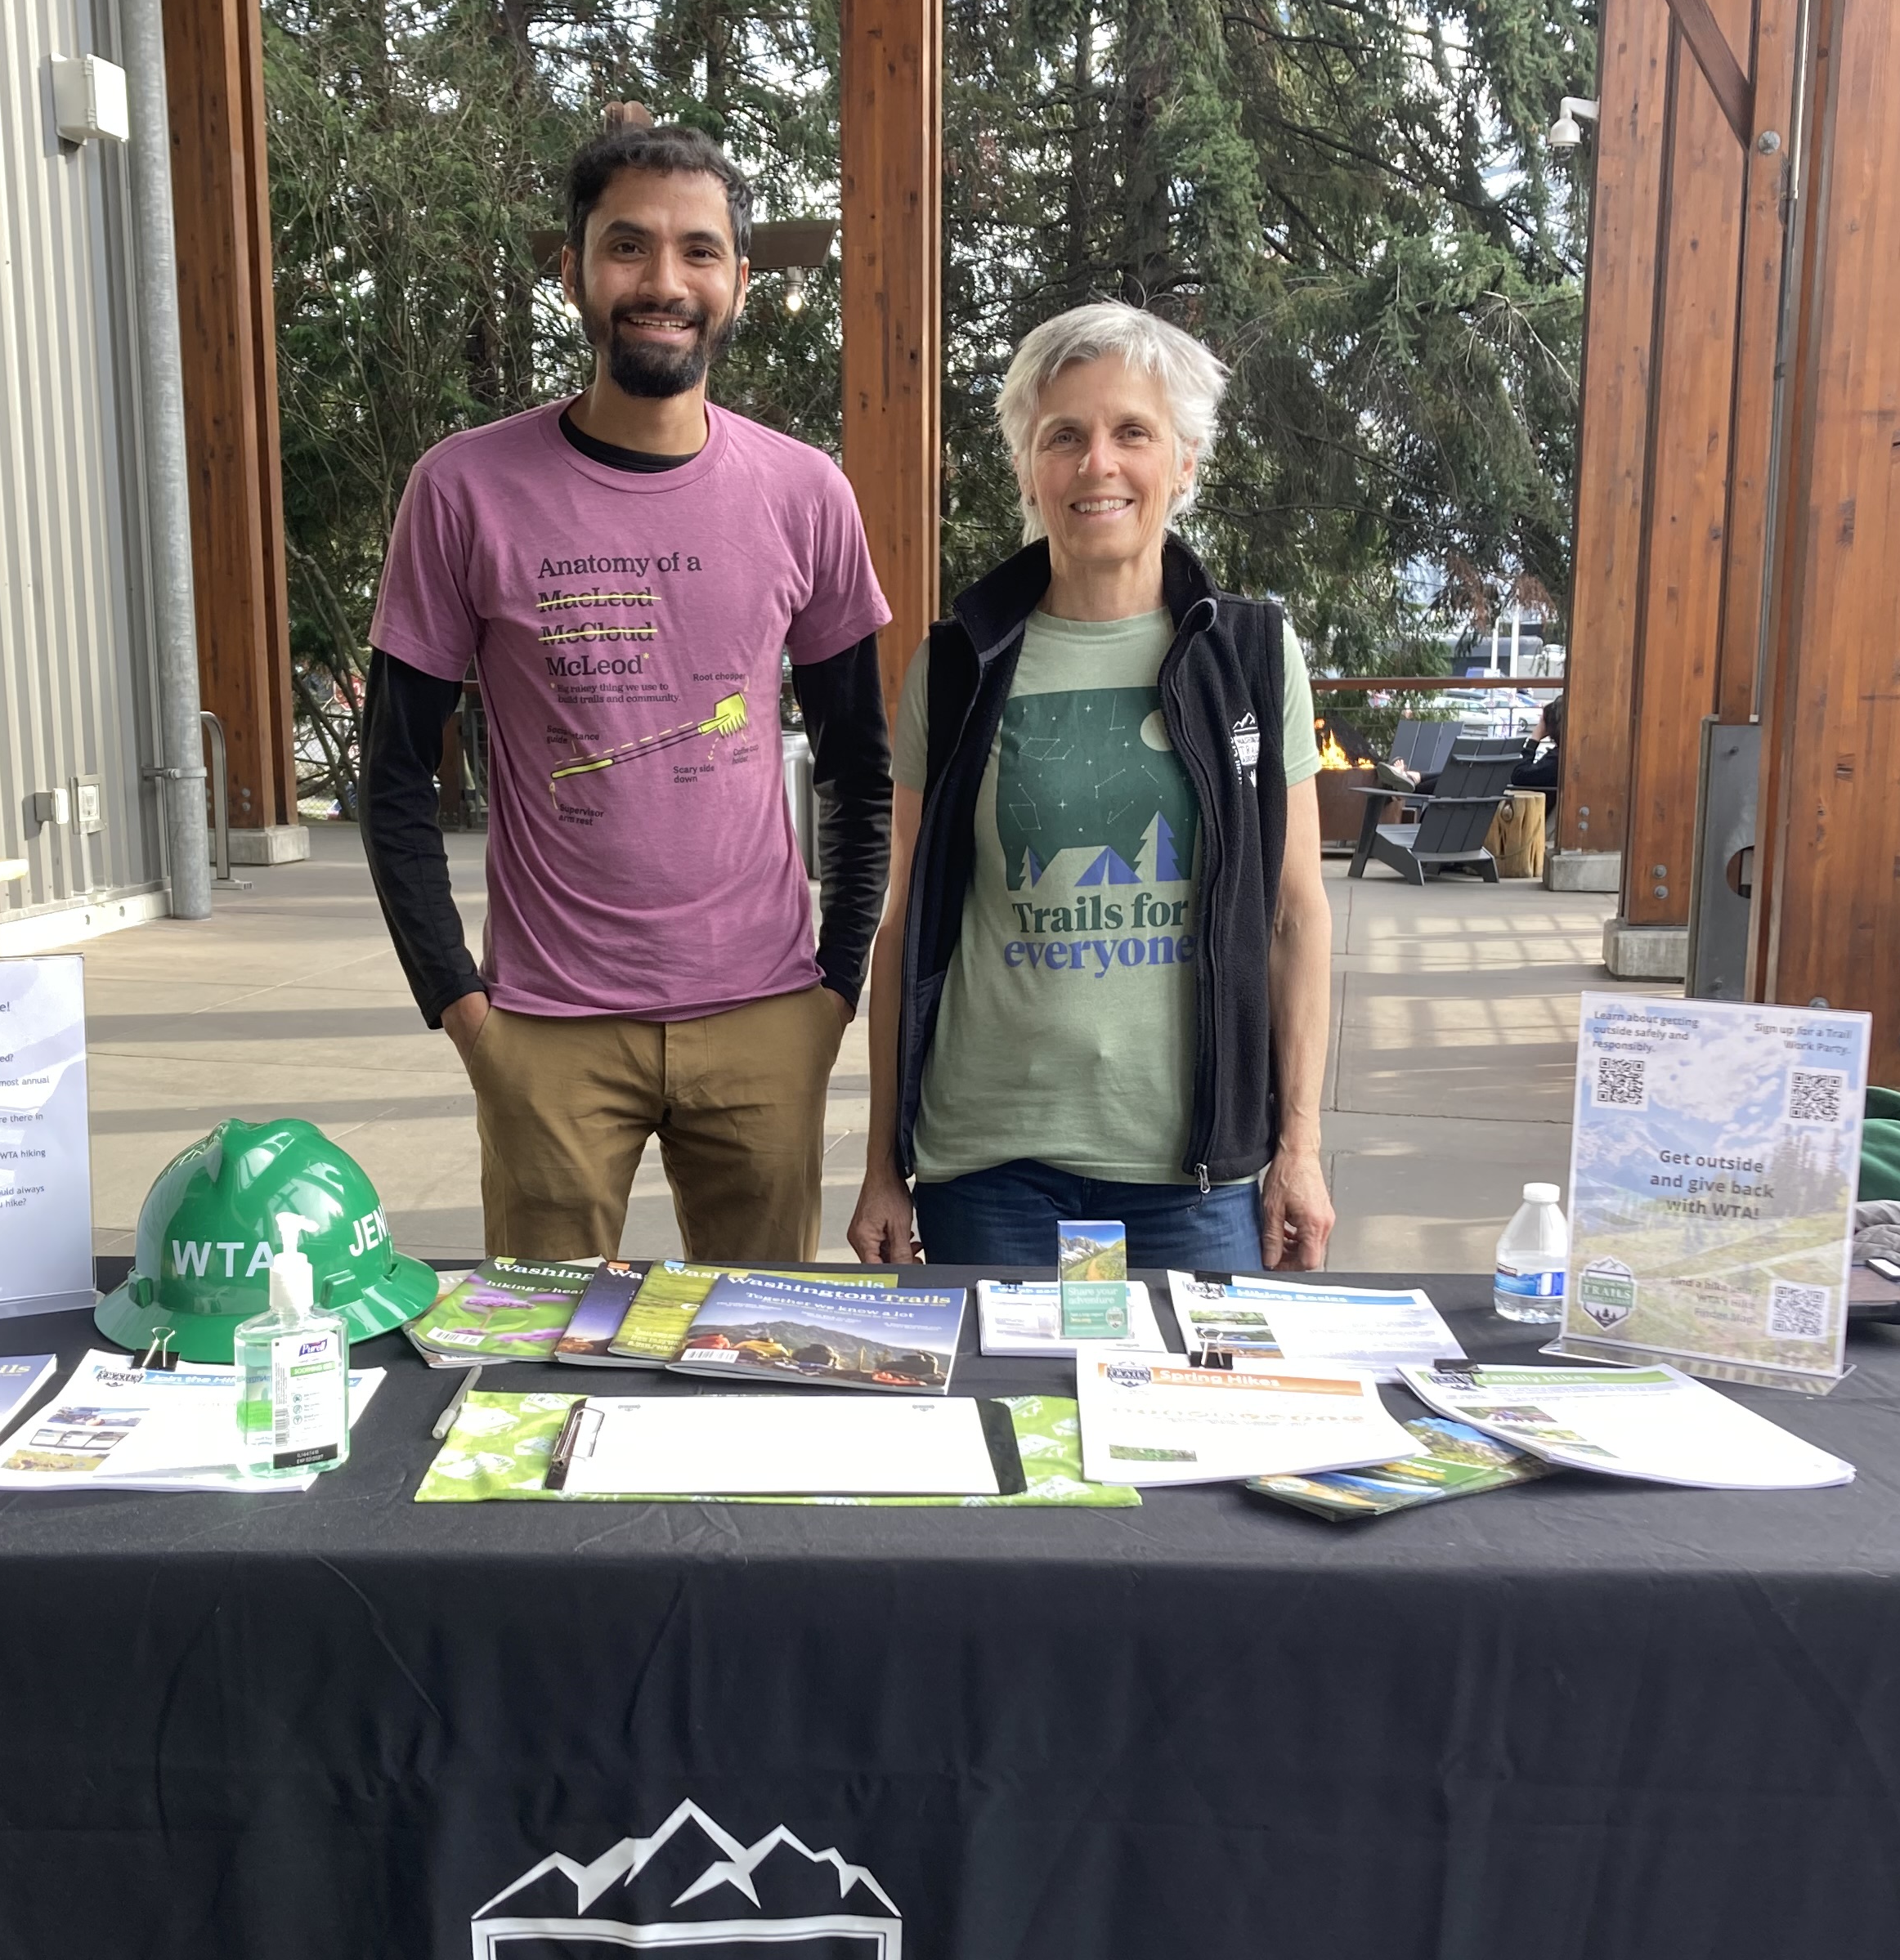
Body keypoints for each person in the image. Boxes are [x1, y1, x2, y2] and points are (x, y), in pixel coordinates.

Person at [361, 116, 893, 1264]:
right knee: (540, 1370)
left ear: (739, 281)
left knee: (761, 1367)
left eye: (699, 251)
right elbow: (395, 773)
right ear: (573, 273)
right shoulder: (462, 490)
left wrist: (834, 990)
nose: (665, 282)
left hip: (766, 1017)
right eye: (628, 247)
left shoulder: (808, 494)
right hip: (547, 1032)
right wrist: (461, 1007)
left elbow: (860, 764)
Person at [846, 304, 1333, 1273]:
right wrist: (881, 1164)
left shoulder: (1249, 657)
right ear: (1029, 468)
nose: (1096, 463)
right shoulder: (957, 667)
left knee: (1190, 1423)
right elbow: (910, 924)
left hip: (1192, 1180)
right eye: (1062, 436)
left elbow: (1295, 914)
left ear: (1184, 462)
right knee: (1002, 1422)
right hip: (991, 1166)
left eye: (1132, 433)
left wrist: (1301, 1150)